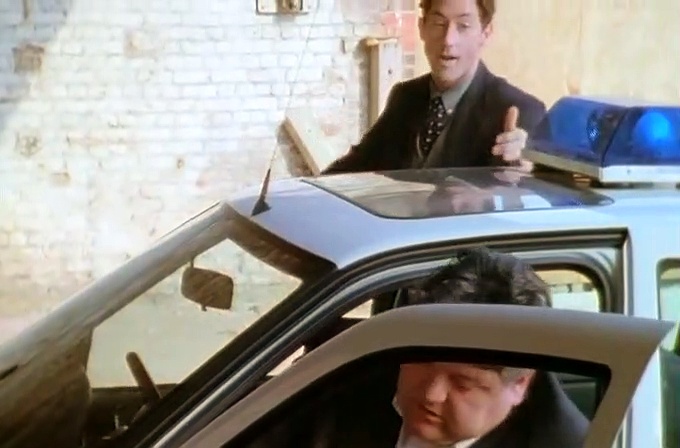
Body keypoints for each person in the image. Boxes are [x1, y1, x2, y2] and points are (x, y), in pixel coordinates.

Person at [318, 248, 589, 448]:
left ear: (519, 383)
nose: (431, 394)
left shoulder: (563, 443)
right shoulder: (348, 385)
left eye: (462, 383)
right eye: (422, 362)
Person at [322, 0, 546, 175]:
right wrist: (305, 193)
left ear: (485, 34)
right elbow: (357, 165)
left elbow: (533, 190)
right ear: (421, 28)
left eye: (463, 26)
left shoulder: (519, 111)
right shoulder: (405, 97)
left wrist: (528, 165)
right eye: (439, 23)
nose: (448, 40)